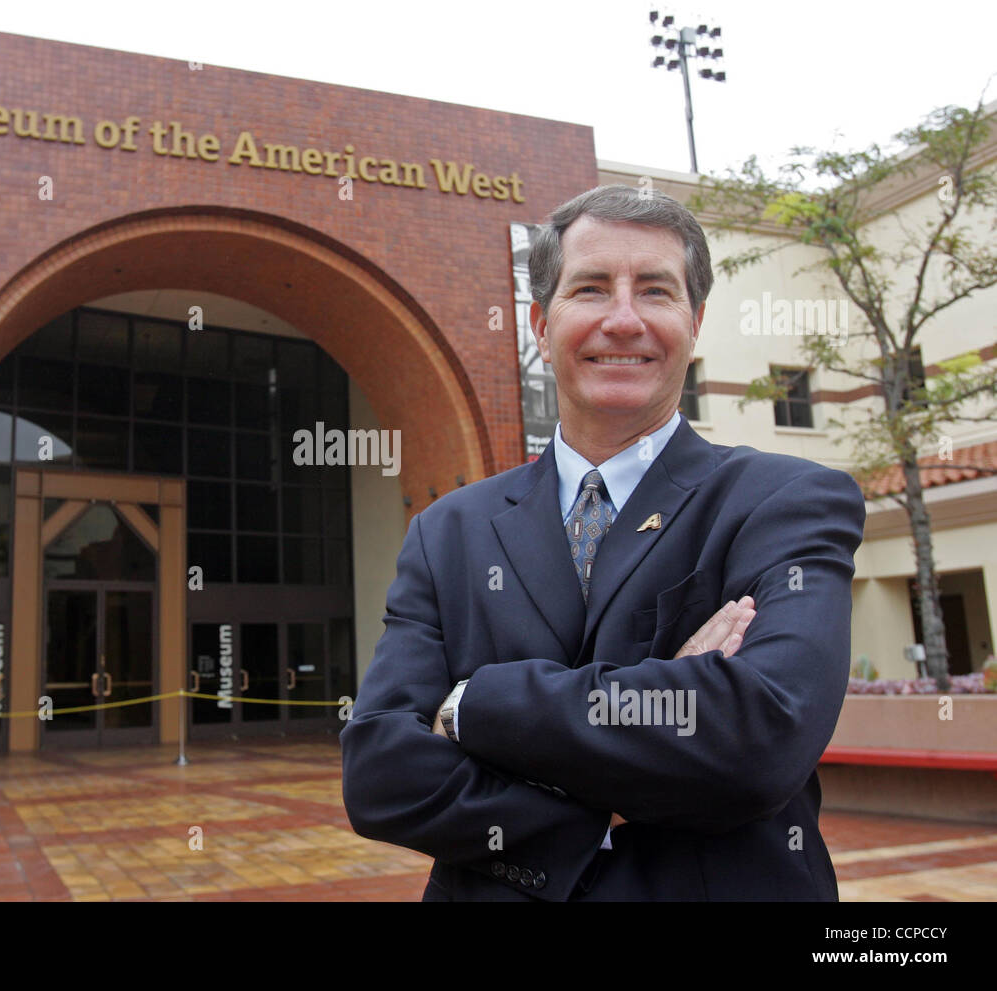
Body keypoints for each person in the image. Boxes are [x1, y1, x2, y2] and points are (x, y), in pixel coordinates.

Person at [339, 184, 866, 900]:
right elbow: (379, 775)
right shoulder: (447, 531)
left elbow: (760, 738)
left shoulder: (786, 502)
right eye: (590, 289)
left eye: (655, 291)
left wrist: (471, 706)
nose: (624, 320)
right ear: (540, 324)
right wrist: (646, 738)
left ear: (695, 320)